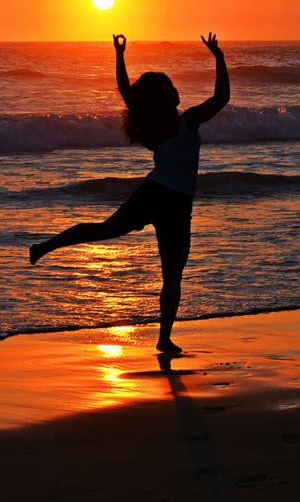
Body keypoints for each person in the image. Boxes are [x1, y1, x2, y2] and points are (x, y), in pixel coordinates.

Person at [30, 33, 230, 353]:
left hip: (153, 194)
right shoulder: (187, 121)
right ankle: (164, 339)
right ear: (168, 96)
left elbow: (126, 91)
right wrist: (218, 57)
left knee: (106, 230)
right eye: (170, 85)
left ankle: (45, 246)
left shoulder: (154, 124)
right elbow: (221, 98)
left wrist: (120, 55)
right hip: (176, 204)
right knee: (172, 274)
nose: (176, 88)